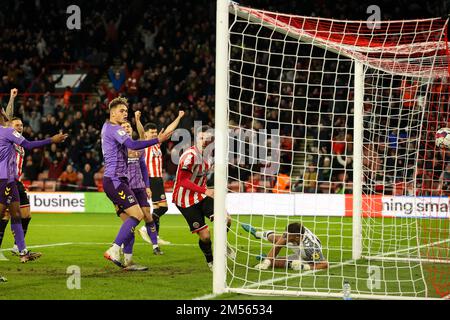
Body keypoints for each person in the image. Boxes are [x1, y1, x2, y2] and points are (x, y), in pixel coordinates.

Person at [101, 97, 171, 270]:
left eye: (126, 111)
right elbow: (133, 143)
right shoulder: (113, 128)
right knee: (138, 215)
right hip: (115, 180)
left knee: (129, 224)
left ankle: (129, 262)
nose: (125, 114)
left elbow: (135, 143)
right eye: (122, 111)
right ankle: (114, 249)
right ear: (112, 112)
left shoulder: (107, 128)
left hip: (115, 180)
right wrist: (157, 140)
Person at [0, 106, 67, 263]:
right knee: (8, 216)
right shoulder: (8, 132)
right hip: (6, 179)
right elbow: (29, 145)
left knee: (16, 215)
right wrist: (52, 139)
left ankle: (23, 252)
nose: (6, 113)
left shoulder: (4, 131)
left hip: (8, 180)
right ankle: (22, 251)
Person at [172, 125, 234, 271]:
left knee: (226, 219)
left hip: (201, 196)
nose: (205, 141)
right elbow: (182, 181)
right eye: (201, 138)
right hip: (184, 200)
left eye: (208, 139)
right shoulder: (189, 156)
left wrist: (213, 190)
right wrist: (205, 190)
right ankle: (211, 261)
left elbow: (202, 178)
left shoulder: (209, 158)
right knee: (205, 236)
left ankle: (222, 243)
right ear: (196, 138)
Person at [135, 110, 185, 245]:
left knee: (158, 209)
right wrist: (137, 120)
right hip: (150, 179)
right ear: (146, 135)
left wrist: (179, 117)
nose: (154, 135)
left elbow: (168, 130)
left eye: (155, 133)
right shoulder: (144, 144)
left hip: (157, 179)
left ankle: (155, 237)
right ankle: (146, 228)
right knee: (163, 208)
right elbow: (140, 132)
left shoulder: (156, 144)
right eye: (151, 133)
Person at [120, 119, 162, 257]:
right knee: (130, 222)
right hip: (125, 188)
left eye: (128, 126)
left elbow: (143, 168)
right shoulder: (118, 147)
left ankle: (155, 246)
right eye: (123, 126)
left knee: (148, 216)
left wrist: (147, 186)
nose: (126, 128)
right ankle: (121, 246)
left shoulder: (139, 147)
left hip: (139, 187)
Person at [241, 222, 329, 271]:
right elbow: (277, 247)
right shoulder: (290, 235)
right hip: (296, 243)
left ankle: (266, 257)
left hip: (306, 257)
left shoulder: (310, 248)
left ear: (297, 236)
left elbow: (324, 264)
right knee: (275, 238)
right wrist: (266, 263)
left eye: (288, 235)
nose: (285, 235)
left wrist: (306, 267)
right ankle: (257, 234)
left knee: (277, 264)